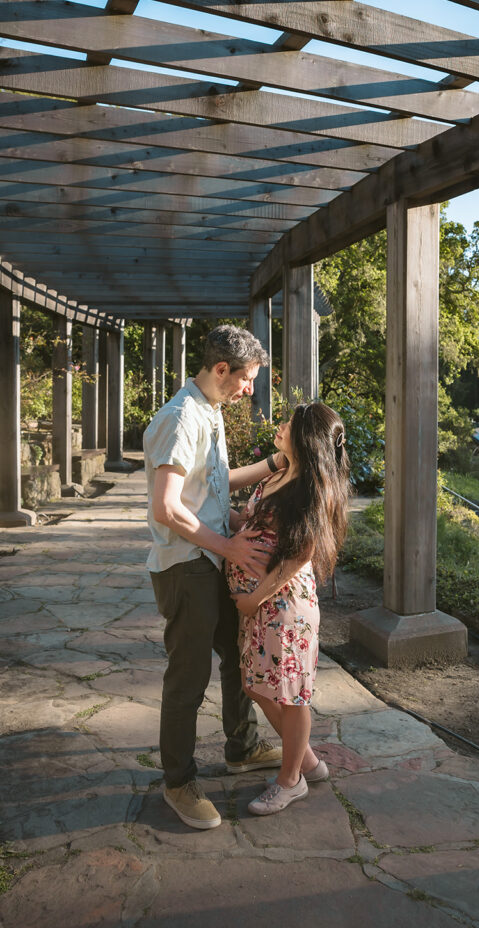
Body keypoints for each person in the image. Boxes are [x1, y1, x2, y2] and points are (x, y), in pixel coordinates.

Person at [143, 324, 286, 831]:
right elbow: (166, 507)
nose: (251, 388)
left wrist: (238, 515)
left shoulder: (210, 410)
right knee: (189, 675)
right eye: (246, 379)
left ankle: (242, 748)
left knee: (238, 652)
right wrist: (227, 544)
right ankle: (178, 781)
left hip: (208, 560)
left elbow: (206, 492)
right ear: (221, 370)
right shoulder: (182, 418)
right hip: (187, 567)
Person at [228, 401, 350, 816]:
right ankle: (309, 762)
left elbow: (300, 556)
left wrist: (253, 598)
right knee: (253, 685)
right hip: (262, 607)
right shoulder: (279, 474)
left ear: (305, 437)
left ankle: (290, 780)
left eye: (288, 423)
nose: (279, 426)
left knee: (292, 695)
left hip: (283, 607)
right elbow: (242, 519)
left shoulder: (314, 488)